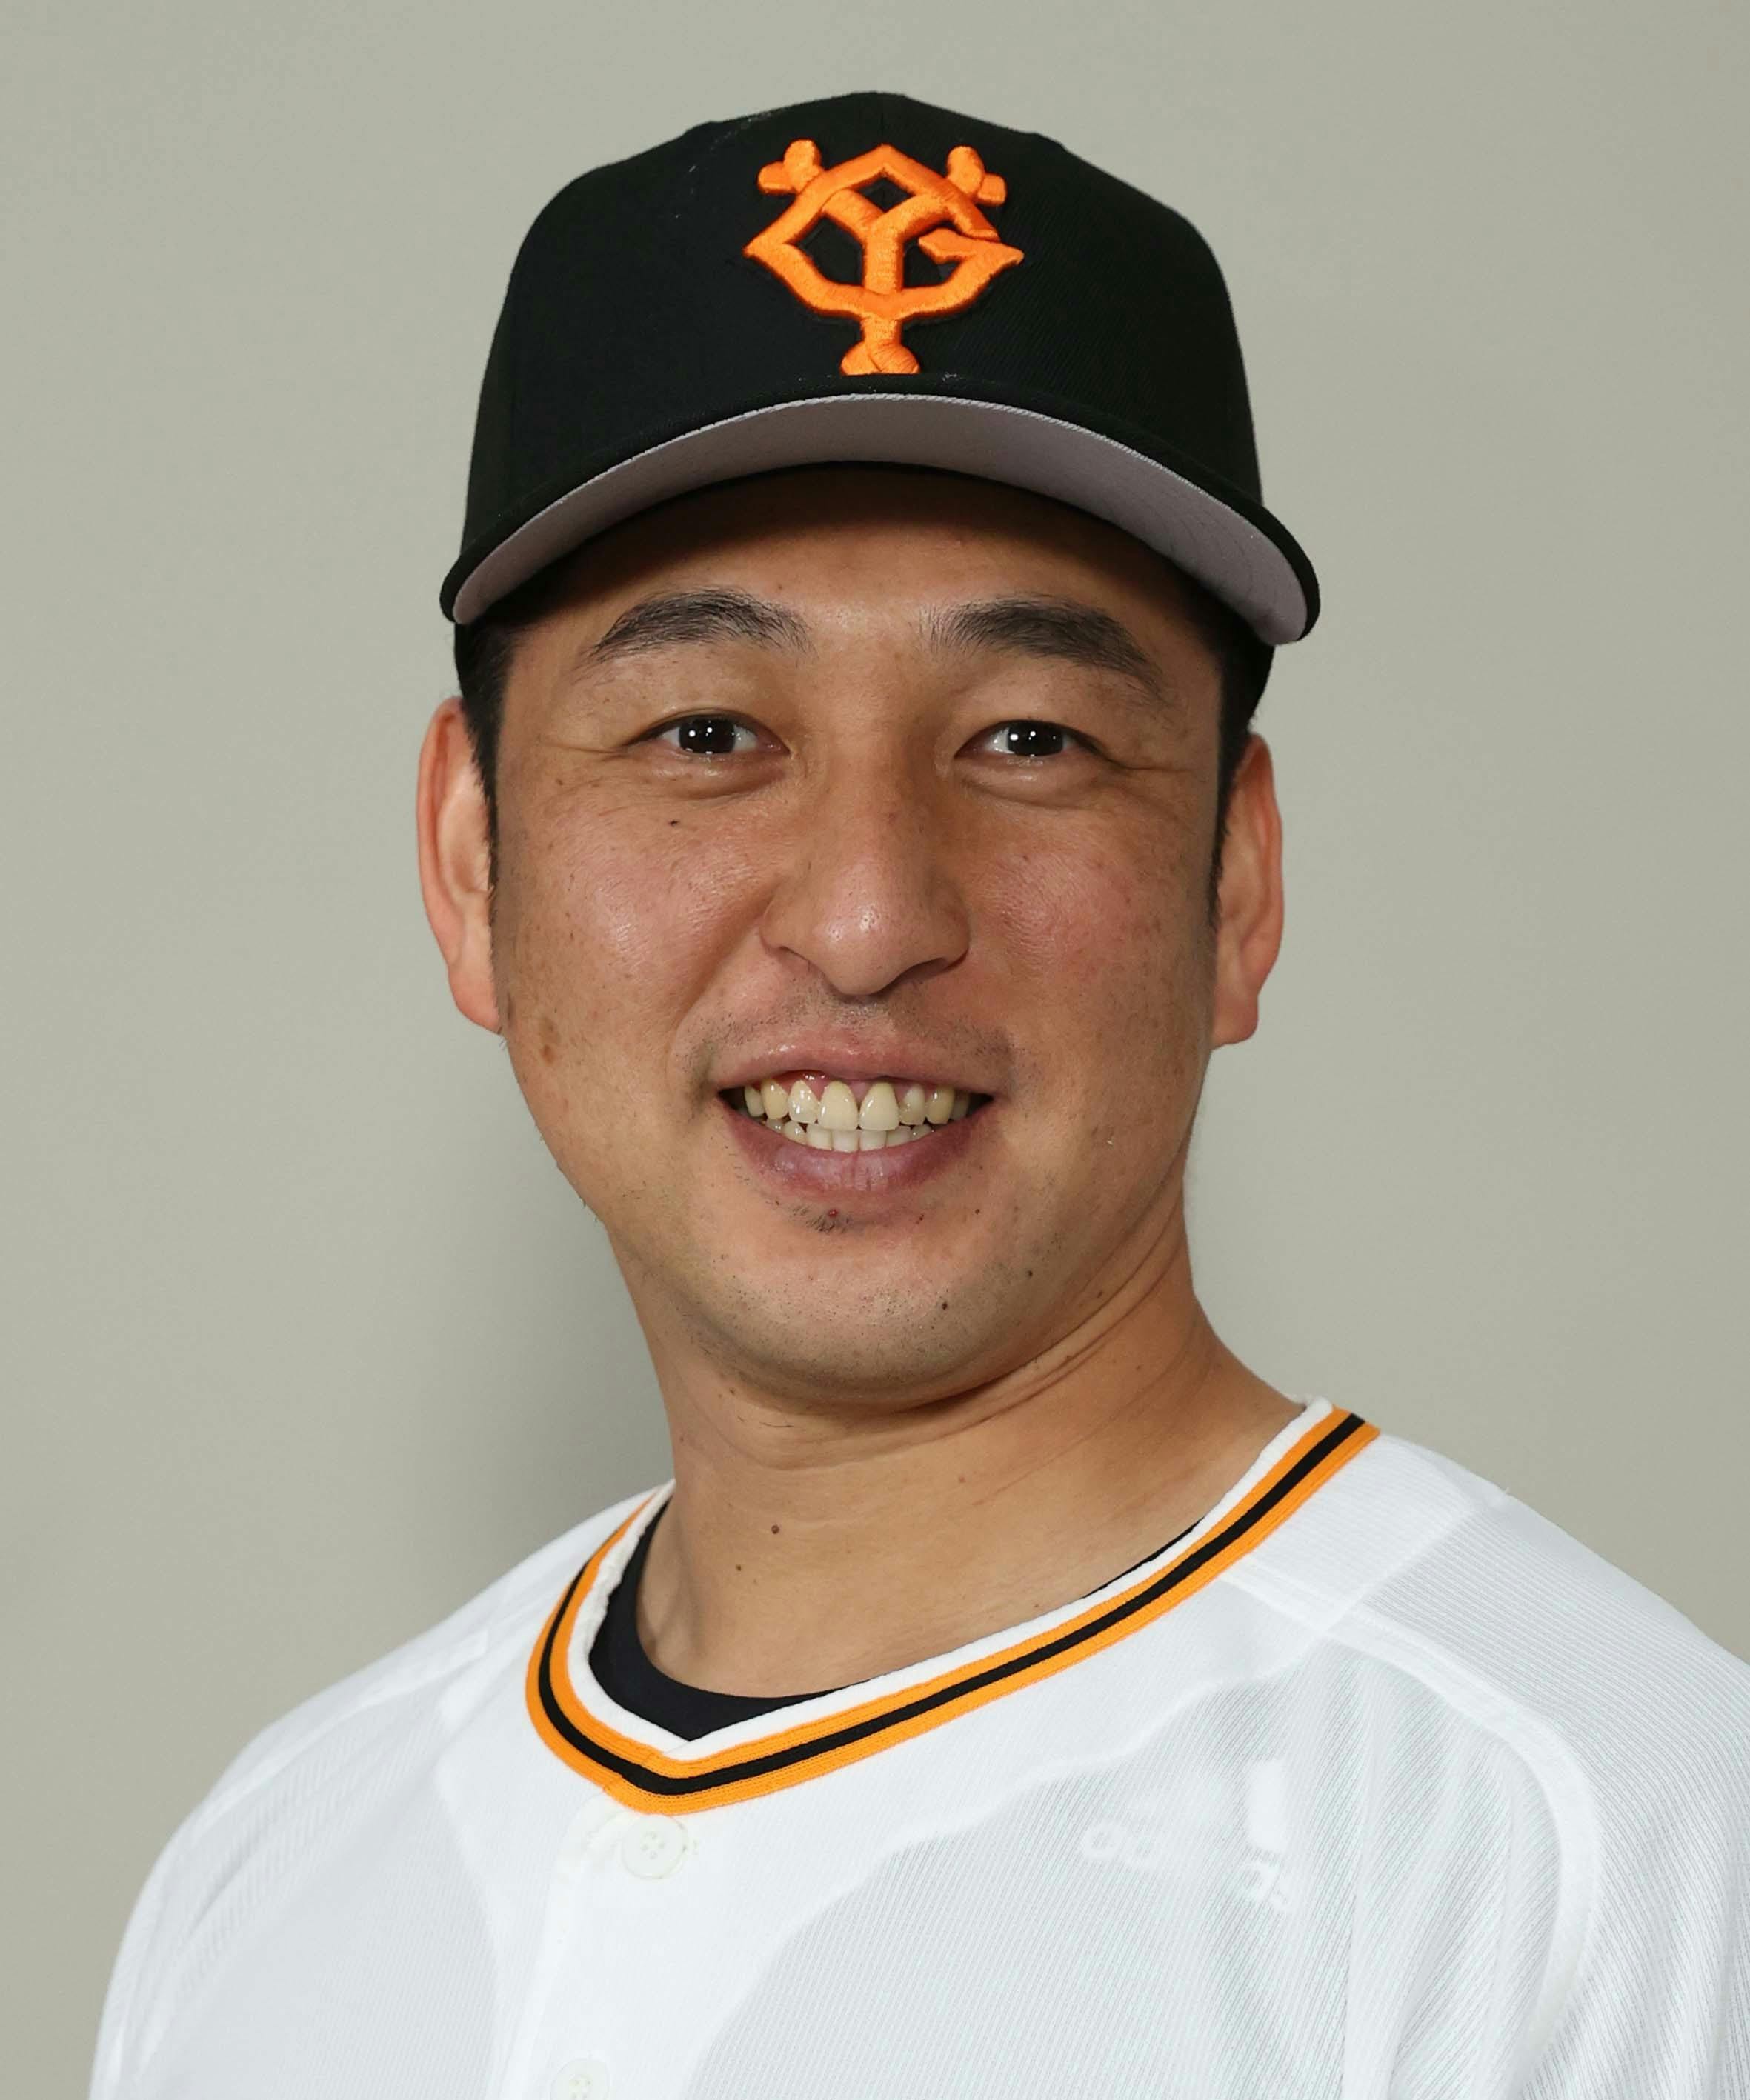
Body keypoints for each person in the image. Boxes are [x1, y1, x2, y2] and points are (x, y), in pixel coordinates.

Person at [92, 90, 1749, 2100]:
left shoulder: (1606, 1855)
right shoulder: (271, 1871)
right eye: (707, 731)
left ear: (1236, 885)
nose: (870, 916)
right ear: (471, 864)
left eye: (1029, 739)